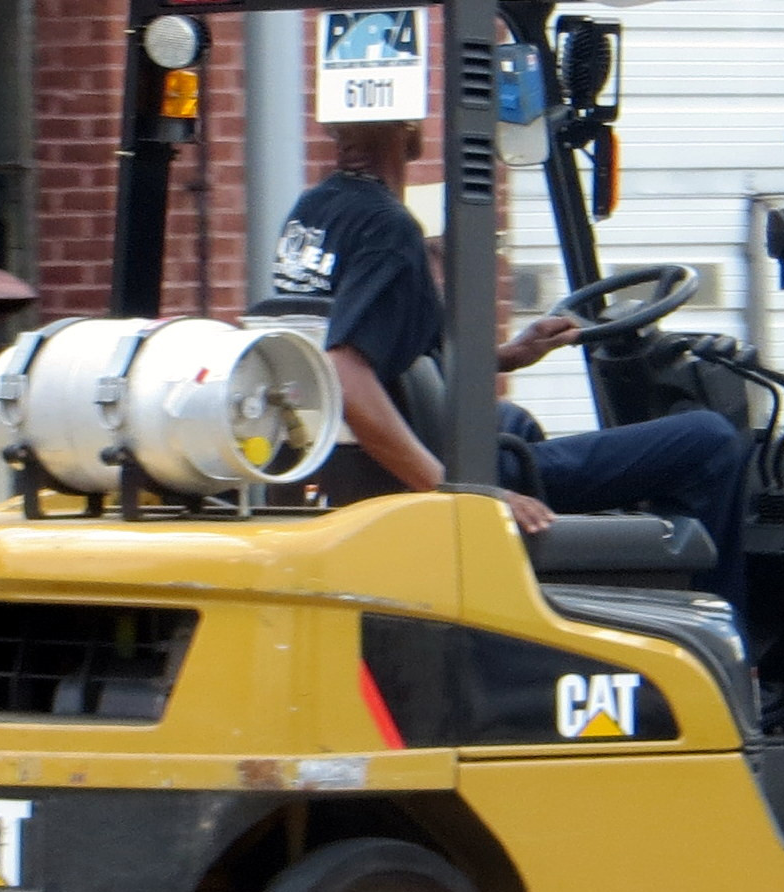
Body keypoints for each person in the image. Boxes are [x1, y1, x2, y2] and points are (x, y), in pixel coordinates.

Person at [272, 119, 750, 608]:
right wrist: (465, 493)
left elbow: (395, 348)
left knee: (515, 420)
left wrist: (513, 353)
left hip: (421, 440)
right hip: (450, 464)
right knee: (709, 441)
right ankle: (713, 633)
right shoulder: (389, 228)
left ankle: (569, 587)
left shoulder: (316, 210)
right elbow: (346, 372)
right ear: (411, 132)